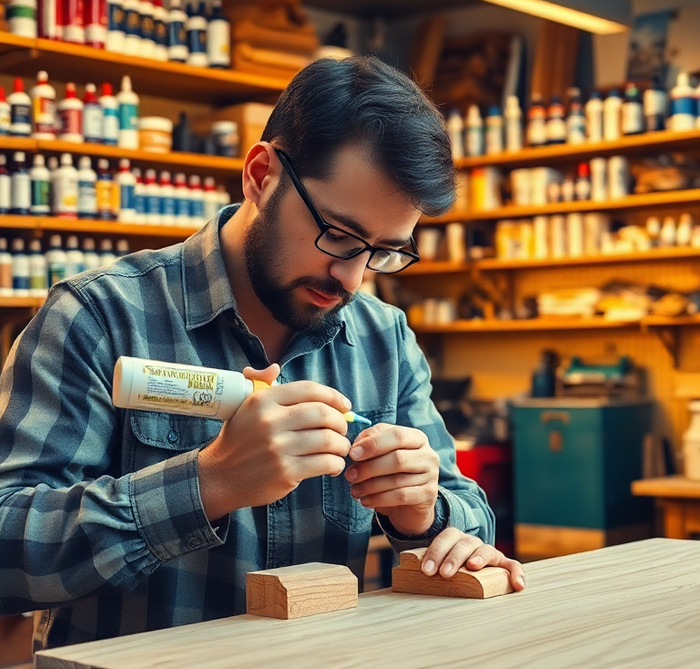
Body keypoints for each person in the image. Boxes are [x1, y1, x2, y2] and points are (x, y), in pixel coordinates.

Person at [0, 55, 524, 651]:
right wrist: (207, 483)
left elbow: (471, 515)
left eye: (382, 251)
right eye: (339, 235)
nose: (351, 277)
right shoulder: (97, 317)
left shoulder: (385, 338)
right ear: (260, 174)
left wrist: (426, 514)